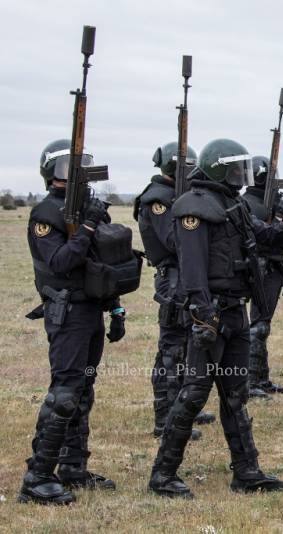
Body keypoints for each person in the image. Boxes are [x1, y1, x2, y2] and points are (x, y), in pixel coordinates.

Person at [149, 139, 283, 498]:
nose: (242, 175)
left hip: (235, 312)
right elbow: (193, 270)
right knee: (194, 393)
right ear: (219, 168)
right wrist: (204, 316)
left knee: (235, 394)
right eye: (235, 168)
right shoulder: (193, 208)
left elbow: (267, 236)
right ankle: (162, 475)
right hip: (210, 316)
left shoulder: (235, 204)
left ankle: (247, 471)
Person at [19, 140, 122, 504]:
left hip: (91, 311)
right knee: (64, 393)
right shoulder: (46, 215)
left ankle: (73, 467)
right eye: (66, 166)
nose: (76, 172)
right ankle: (38, 477)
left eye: (82, 165)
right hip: (69, 315)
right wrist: (90, 223)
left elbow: (102, 264)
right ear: (50, 172)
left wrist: (116, 307)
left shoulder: (84, 210)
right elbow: (62, 261)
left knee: (83, 391)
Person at [134, 142, 214, 441]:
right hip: (172, 278)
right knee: (172, 347)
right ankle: (165, 416)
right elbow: (172, 240)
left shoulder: (174, 196)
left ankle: (181, 407)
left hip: (184, 276)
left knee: (186, 345)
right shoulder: (159, 199)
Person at [240, 155, 283, 398]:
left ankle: (261, 377)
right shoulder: (246, 203)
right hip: (260, 267)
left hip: (273, 268)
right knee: (257, 326)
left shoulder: (277, 203)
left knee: (263, 325)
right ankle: (251, 380)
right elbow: (266, 235)